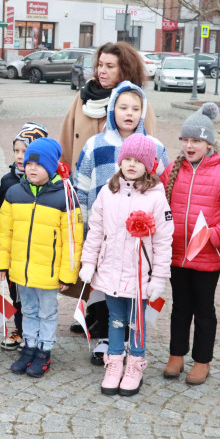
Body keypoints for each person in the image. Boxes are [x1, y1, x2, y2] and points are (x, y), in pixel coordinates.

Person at [74, 80, 168, 362]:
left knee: (134, 287)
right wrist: (83, 222)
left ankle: (132, 341)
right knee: (105, 287)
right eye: (123, 107)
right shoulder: (96, 144)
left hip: (140, 239)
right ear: (112, 109)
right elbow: (81, 185)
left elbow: (162, 186)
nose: (129, 113)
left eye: (136, 108)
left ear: (143, 112)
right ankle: (106, 338)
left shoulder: (154, 147)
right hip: (103, 230)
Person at [80, 134, 172, 396]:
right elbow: (96, 230)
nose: (131, 165)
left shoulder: (156, 197)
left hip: (140, 273)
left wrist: (159, 279)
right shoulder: (109, 192)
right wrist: (89, 262)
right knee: (116, 319)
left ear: (148, 165)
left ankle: (135, 365)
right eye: (127, 159)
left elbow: (164, 241)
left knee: (137, 321)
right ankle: (114, 363)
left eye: (138, 160)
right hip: (111, 269)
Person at [162, 103, 220, 385]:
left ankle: (202, 360)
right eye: (185, 140)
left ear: (209, 143)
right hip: (177, 254)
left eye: (196, 140)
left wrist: (214, 235)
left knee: (204, 309)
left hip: (207, 255)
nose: (189, 145)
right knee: (180, 307)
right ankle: (176, 354)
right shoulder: (172, 170)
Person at [0, 138, 83, 378]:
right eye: (29, 163)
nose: (32, 168)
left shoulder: (65, 196)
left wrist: (67, 274)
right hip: (21, 269)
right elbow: (3, 232)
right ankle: (29, 347)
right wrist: (1, 263)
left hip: (49, 271)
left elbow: (73, 241)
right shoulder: (14, 193)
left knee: (47, 312)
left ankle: (44, 351)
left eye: (39, 165)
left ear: (52, 167)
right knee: (28, 309)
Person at [0, 123, 48, 350]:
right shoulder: (8, 182)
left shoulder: (50, 183)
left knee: (38, 295)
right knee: (18, 294)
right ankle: (20, 329)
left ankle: (38, 331)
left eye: (27, 151)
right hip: (14, 251)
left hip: (38, 252)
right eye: (17, 151)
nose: (21, 157)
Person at [59, 42, 158, 170]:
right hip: (80, 180)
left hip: (117, 183)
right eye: (100, 65)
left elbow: (147, 148)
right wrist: (64, 174)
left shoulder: (138, 102)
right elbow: (66, 140)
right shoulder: (83, 96)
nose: (102, 71)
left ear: (124, 70)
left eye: (109, 66)